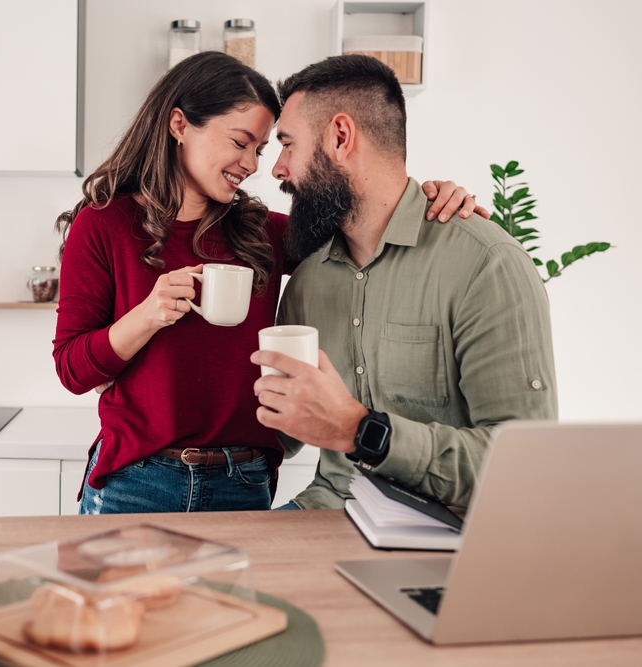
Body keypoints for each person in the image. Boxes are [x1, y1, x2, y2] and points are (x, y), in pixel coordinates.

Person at [53, 51, 483, 514]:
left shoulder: (264, 231)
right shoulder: (103, 225)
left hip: (244, 481)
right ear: (179, 124)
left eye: (259, 148)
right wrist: (146, 316)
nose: (253, 164)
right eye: (240, 142)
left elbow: (372, 219)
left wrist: (433, 196)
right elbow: (73, 370)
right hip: (136, 482)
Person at [251, 55, 558, 510]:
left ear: (340, 137)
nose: (278, 169)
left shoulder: (485, 265)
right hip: (327, 510)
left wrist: (361, 432)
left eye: (288, 144)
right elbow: (281, 431)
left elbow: (526, 467)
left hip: (443, 530)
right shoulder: (309, 278)